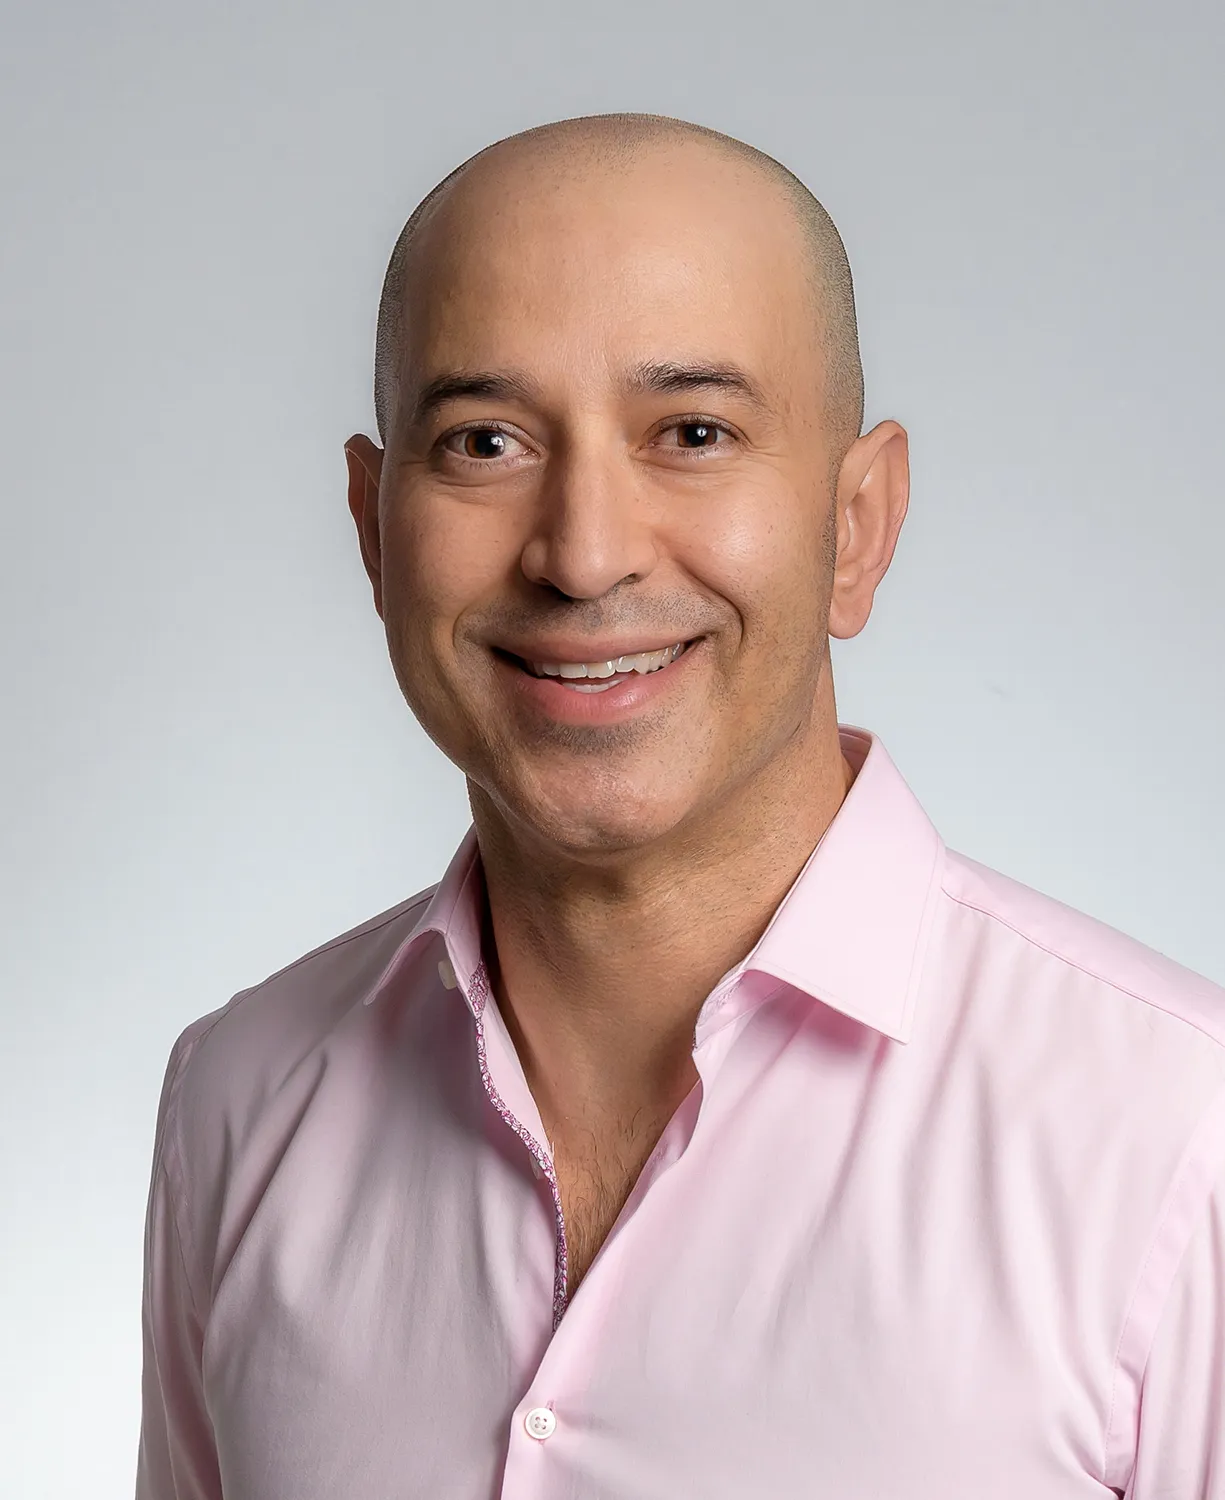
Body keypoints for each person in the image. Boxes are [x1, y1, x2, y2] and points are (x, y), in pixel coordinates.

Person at [135, 113, 1225, 1499]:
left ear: (858, 524)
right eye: (483, 442)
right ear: (371, 522)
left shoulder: (1182, 1140)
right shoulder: (237, 1098)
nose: (584, 555)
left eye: (693, 432)